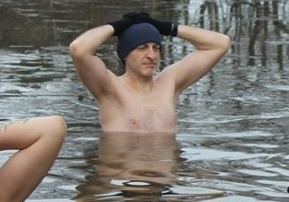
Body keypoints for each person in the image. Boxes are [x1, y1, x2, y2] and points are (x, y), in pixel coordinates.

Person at [69, 12, 230, 133]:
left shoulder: (169, 83)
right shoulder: (111, 89)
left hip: (166, 175)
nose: (151, 55)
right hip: (125, 176)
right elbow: (79, 49)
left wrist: (167, 28)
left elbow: (220, 44)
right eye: (142, 48)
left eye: (156, 48)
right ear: (125, 54)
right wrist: (116, 27)